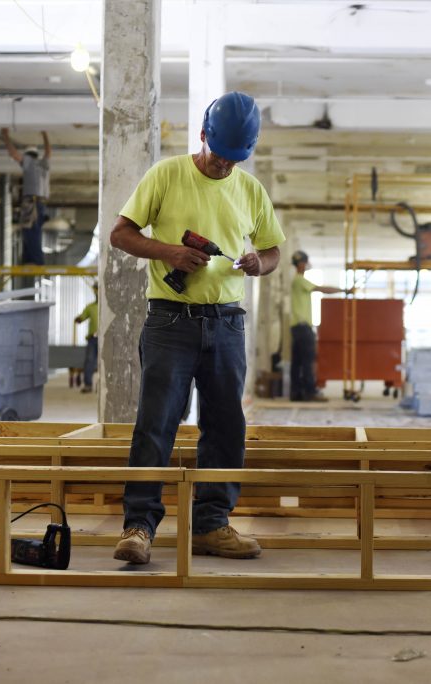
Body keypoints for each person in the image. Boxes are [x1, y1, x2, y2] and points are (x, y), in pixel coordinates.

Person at [108, 92, 284, 565]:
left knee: (226, 426)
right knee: (156, 425)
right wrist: (168, 251)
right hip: (169, 321)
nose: (225, 165)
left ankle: (211, 525)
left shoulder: (250, 190)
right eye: (220, 154)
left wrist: (257, 263)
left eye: (235, 158)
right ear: (203, 136)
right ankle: (139, 527)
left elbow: (272, 252)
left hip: (227, 324)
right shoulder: (166, 175)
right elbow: (121, 234)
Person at [289, 250, 345, 402]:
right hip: (303, 326)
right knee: (308, 360)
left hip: (296, 326)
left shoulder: (297, 280)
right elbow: (321, 289)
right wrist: (344, 290)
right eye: (305, 262)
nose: (306, 265)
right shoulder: (300, 280)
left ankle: (296, 393)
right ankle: (310, 392)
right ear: (301, 263)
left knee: (298, 361)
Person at [0, 128, 51, 265]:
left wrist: (5, 136)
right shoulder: (43, 165)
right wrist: (45, 135)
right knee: (33, 230)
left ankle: (36, 260)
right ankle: (31, 260)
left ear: (28, 155)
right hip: (39, 204)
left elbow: (13, 153)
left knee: (30, 230)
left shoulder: (29, 163)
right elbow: (48, 152)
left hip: (32, 204)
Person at [73, 283, 99, 394]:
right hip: (93, 338)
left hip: (107, 339)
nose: (97, 292)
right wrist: (79, 319)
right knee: (89, 361)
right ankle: (88, 384)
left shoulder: (109, 307)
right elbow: (82, 317)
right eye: (96, 290)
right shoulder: (90, 307)